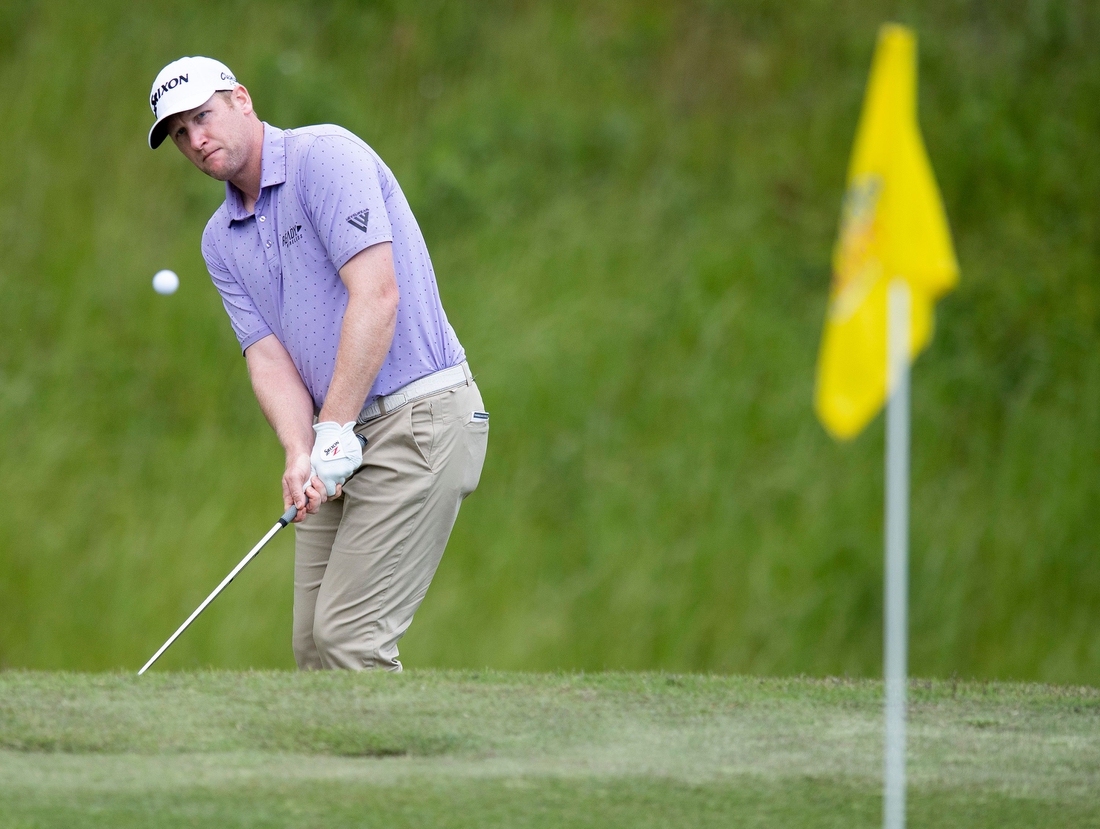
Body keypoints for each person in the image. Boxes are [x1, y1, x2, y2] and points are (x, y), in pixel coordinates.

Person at [147, 56, 488, 671]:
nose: (195, 140)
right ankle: (339, 769)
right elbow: (267, 355)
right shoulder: (220, 238)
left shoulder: (325, 158)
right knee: (313, 653)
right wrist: (300, 450)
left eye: (202, 116)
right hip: (340, 437)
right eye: (179, 133)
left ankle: (399, 767)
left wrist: (331, 428)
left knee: (350, 642)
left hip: (419, 420)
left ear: (241, 100)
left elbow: (378, 296)